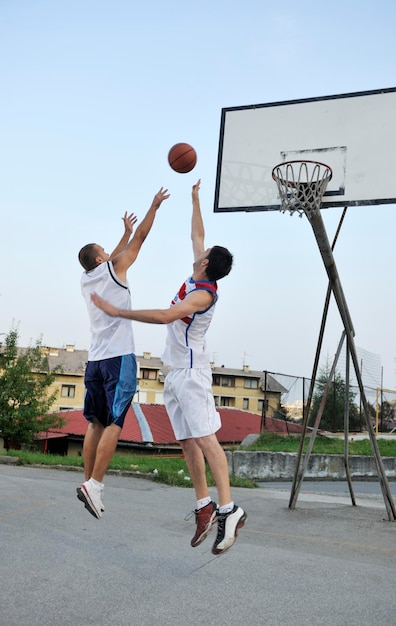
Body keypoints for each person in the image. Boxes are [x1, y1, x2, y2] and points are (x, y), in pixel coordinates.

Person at [91, 179, 247, 555]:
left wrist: (118, 310)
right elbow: (198, 232)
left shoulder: (202, 294)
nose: (200, 248)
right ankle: (204, 505)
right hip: (175, 373)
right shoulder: (199, 271)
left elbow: (165, 316)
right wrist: (194, 198)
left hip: (193, 375)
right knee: (186, 440)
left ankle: (230, 508)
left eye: (204, 251)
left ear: (206, 262)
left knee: (206, 438)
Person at [77, 187, 170, 519]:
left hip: (96, 361)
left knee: (96, 422)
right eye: (104, 249)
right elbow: (140, 240)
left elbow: (110, 256)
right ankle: (95, 485)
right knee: (116, 420)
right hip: (119, 359)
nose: (109, 250)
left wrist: (123, 234)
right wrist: (153, 207)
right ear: (103, 259)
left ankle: (89, 482)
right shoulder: (113, 270)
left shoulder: (87, 279)